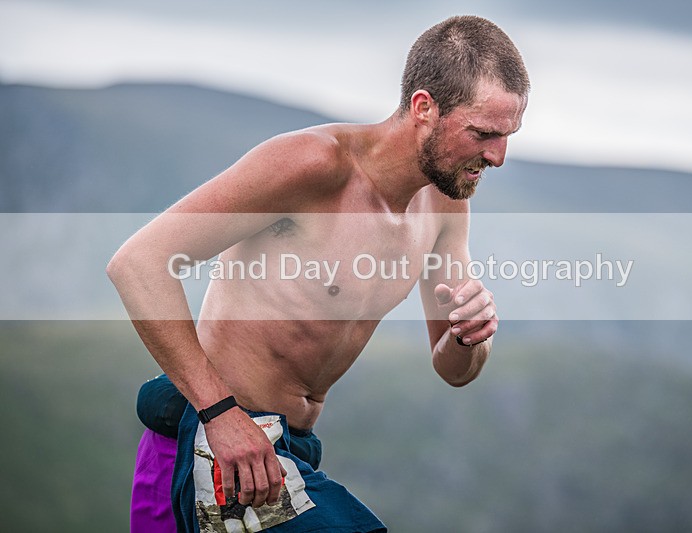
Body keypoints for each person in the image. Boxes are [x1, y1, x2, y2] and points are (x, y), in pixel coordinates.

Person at [108, 14, 529, 533]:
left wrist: (470, 337)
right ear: (424, 108)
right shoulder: (313, 165)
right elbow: (138, 264)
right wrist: (222, 416)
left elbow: (453, 369)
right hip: (214, 440)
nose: (498, 156)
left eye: (509, 135)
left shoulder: (445, 207)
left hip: (289, 452)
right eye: (483, 133)